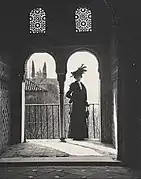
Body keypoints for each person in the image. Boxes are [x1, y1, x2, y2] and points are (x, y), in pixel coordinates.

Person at [66, 64, 89, 140]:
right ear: (75, 77)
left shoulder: (83, 85)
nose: (78, 77)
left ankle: (81, 136)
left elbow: (84, 95)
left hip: (82, 106)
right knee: (76, 120)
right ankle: (76, 136)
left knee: (82, 120)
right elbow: (67, 94)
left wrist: (85, 102)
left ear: (81, 77)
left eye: (79, 76)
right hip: (76, 106)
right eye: (77, 76)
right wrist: (73, 99)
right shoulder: (73, 85)